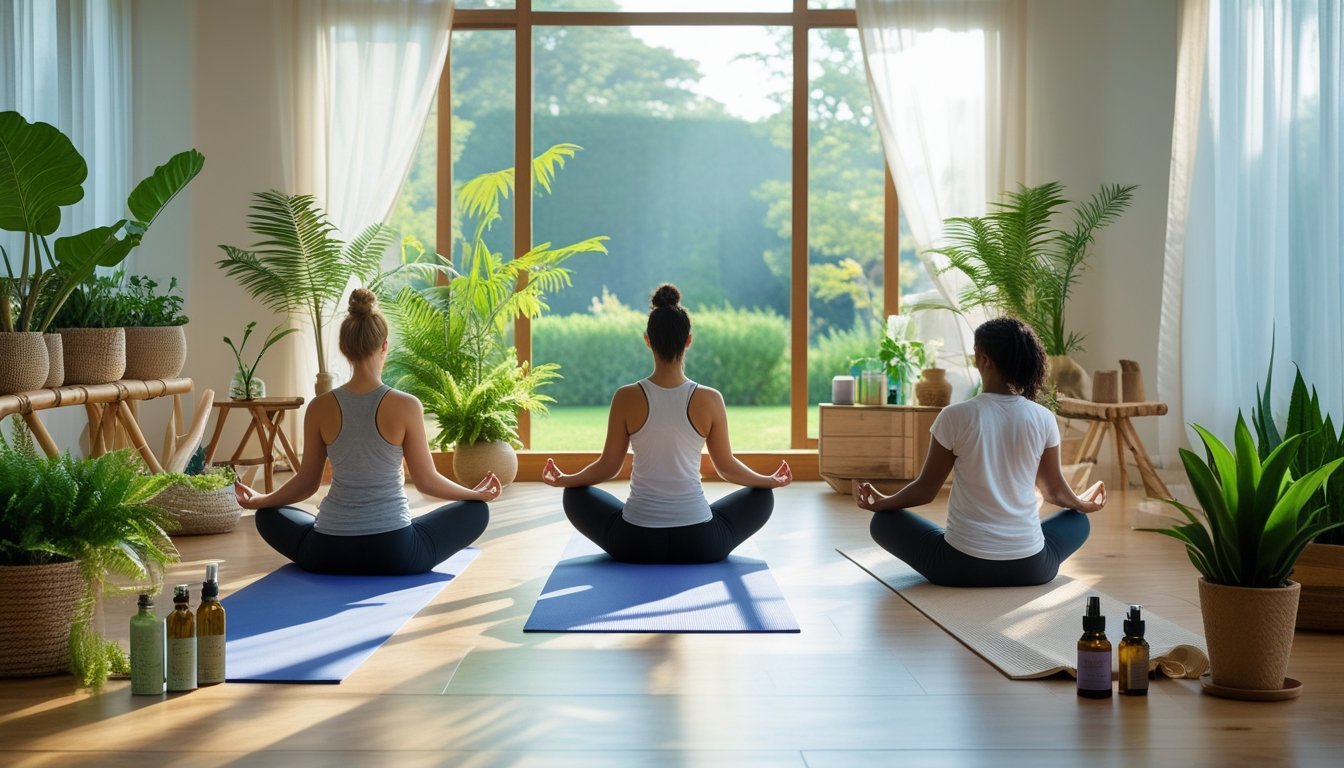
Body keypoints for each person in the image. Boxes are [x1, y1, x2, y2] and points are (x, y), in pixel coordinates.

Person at [234, 288, 499, 576]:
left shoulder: (319, 407)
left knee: (268, 516)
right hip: (396, 553)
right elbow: (426, 481)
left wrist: (261, 500)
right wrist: (474, 495)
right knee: (476, 512)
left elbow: (307, 483)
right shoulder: (407, 405)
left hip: (328, 553)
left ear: (344, 348)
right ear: (384, 346)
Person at [542, 283, 792, 564]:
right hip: (701, 543)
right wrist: (767, 481)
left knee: (574, 496)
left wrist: (566, 480)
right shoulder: (710, 399)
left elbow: (608, 466)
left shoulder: (626, 397)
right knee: (762, 498)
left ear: (647, 340)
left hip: (635, 542)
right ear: (688, 340)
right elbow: (726, 466)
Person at [854, 317, 1107, 587]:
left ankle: (959, 540)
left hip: (959, 567)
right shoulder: (1043, 418)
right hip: (1032, 569)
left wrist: (882, 503)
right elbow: (1055, 492)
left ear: (984, 359)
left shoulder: (955, 416)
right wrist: (1083, 504)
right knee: (1078, 521)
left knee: (883, 522)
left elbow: (925, 490)